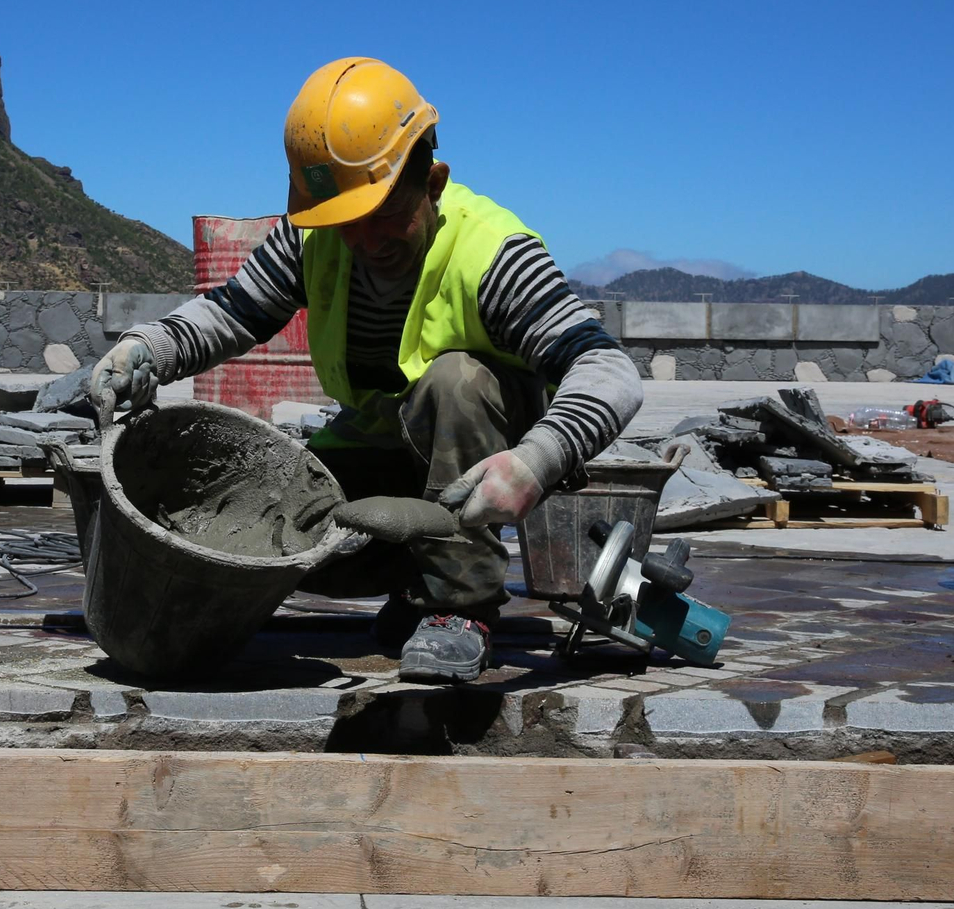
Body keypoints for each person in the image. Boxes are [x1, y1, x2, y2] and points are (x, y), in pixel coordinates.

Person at [90, 57, 643, 683]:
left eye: (383, 216)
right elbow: (233, 313)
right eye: (344, 223)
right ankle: (416, 585)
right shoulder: (318, 236)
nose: (363, 241)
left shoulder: (493, 255)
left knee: (455, 380)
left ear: (432, 181)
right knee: (281, 536)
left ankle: (461, 608)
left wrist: (536, 461)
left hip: (481, 462)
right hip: (384, 448)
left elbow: (609, 369)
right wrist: (149, 348)